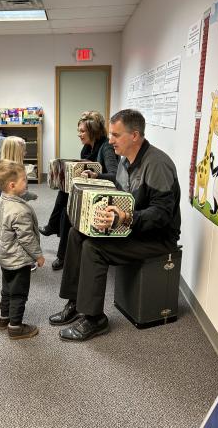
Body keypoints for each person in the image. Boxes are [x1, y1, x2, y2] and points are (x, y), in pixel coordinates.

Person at [49, 109, 181, 342]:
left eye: (115, 135)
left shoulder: (158, 164)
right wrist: (97, 177)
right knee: (76, 233)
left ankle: (94, 318)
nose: (110, 140)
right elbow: (120, 183)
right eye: (110, 134)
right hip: (133, 227)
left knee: (94, 247)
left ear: (135, 135)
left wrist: (126, 217)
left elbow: (162, 214)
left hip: (156, 238)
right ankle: (75, 303)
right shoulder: (126, 159)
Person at [40, 111, 118, 270]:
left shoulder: (106, 147)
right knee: (65, 192)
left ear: (93, 131)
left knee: (68, 211)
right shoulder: (87, 148)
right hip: (91, 190)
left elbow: (116, 176)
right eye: (79, 130)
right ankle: (56, 235)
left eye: (82, 131)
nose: (79, 134)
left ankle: (61, 252)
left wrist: (95, 175)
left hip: (103, 195)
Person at [0, 160, 45, 340]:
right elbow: (27, 238)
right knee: (19, 293)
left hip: (4, 255)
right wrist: (38, 256)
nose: (27, 182)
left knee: (6, 289)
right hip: (18, 260)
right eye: (24, 180)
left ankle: (3, 318)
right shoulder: (19, 210)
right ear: (12, 185)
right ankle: (15, 327)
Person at [0, 136, 38, 201]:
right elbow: (19, 192)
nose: (26, 153)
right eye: (24, 150)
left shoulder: (0, 165)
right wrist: (32, 195)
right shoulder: (17, 170)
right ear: (16, 153)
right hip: (15, 200)